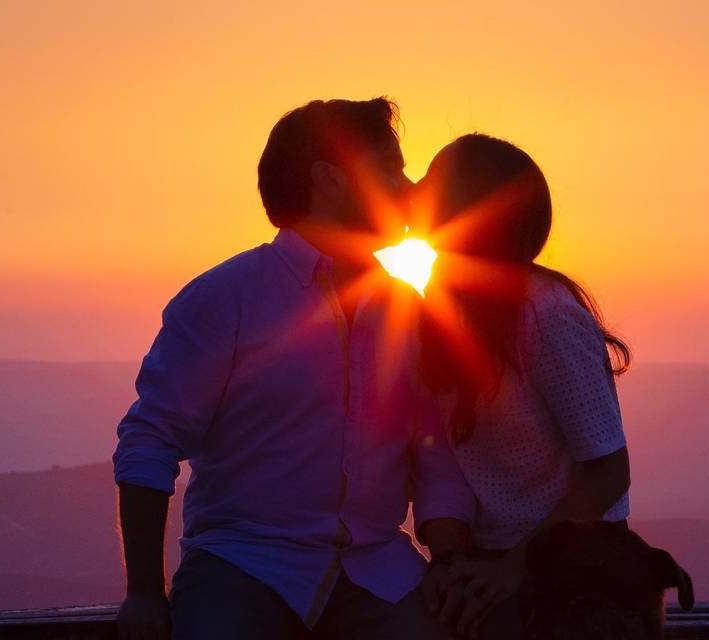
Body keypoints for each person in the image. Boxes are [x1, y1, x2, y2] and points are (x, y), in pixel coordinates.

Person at [112, 98, 477, 640]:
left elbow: (435, 453)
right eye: (389, 168)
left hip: (378, 571)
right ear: (329, 180)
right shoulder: (224, 299)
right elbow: (149, 439)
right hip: (242, 568)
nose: (409, 187)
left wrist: (449, 562)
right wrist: (144, 591)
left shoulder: (409, 309)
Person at [408, 133, 632, 639]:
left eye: (432, 179)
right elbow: (441, 455)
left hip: (579, 562)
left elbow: (608, 471)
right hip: (491, 559)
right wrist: (447, 560)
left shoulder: (547, 315)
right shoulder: (440, 311)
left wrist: (512, 570)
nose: (414, 189)